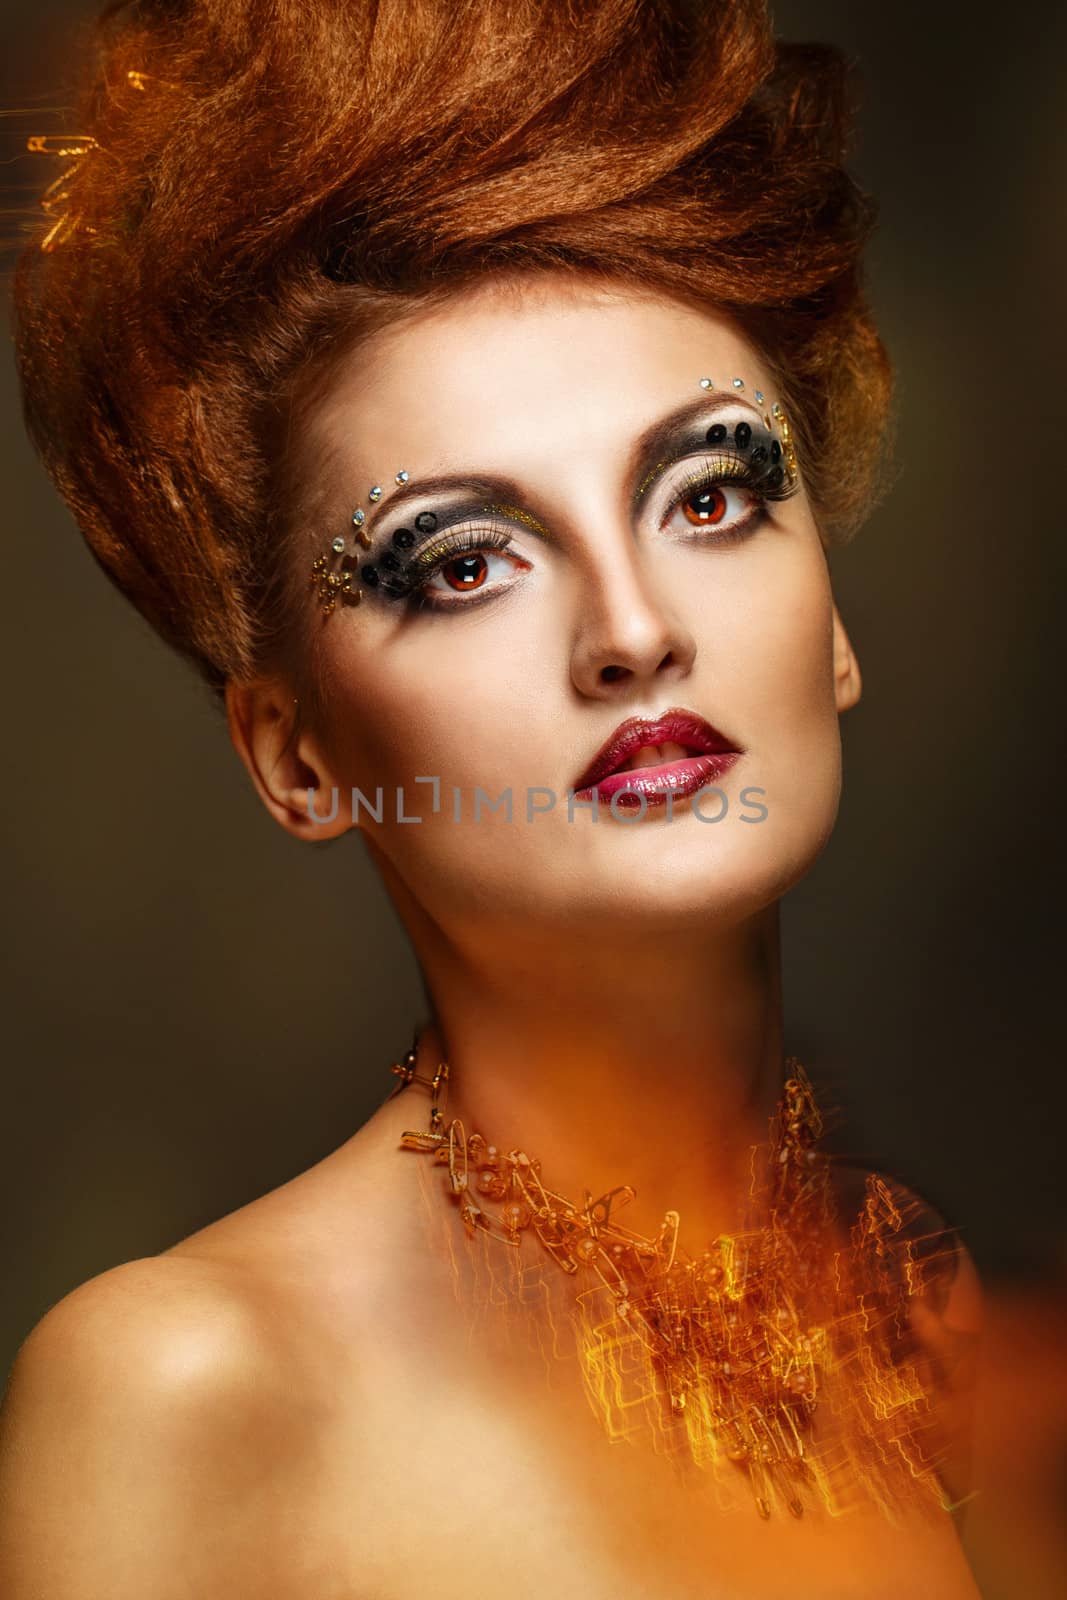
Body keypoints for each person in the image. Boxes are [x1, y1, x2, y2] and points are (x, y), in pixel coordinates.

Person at [0, 1, 984, 1593]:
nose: (635, 628)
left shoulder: (920, 1307)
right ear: (295, 755)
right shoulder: (193, 1392)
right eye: (463, 563)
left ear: (838, 625)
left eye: (710, 494)